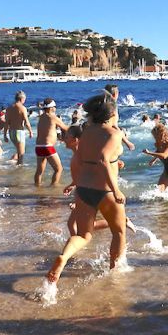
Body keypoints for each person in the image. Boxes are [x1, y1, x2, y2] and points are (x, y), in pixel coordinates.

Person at [45, 92, 127, 287]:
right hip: (106, 190)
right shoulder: (115, 134)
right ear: (112, 113)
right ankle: (115, 271)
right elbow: (103, 159)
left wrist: (76, 183)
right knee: (119, 232)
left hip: (83, 188)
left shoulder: (87, 131)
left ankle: (63, 257)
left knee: (83, 235)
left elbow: (80, 159)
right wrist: (116, 190)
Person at [34, 98, 68, 186]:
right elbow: (66, 128)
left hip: (38, 146)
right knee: (59, 169)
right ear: (51, 108)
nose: (55, 108)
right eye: (54, 107)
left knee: (39, 171)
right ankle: (53, 188)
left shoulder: (41, 117)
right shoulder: (53, 117)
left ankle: (37, 188)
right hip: (47, 147)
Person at [4, 90, 33, 164]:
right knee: (21, 155)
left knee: (19, 151)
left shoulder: (9, 108)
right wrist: (30, 131)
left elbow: (6, 122)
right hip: (19, 132)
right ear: (22, 99)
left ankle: (12, 162)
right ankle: (19, 170)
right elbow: (26, 122)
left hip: (11, 133)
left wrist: (5, 135)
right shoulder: (22, 108)